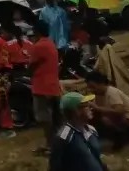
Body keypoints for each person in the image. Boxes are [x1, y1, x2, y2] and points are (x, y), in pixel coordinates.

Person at [84, 70, 129, 149]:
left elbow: (119, 110)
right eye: (89, 87)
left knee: (105, 120)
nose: (90, 90)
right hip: (121, 122)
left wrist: (98, 108)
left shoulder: (111, 92)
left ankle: (121, 139)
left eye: (93, 87)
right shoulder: (98, 94)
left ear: (102, 84)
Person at [29, 20, 63, 156]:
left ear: (37, 32)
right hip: (53, 85)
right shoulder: (50, 43)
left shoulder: (38, 46)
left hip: (41, 86)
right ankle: (59, 144)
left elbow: (31, 66)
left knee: (44, 118)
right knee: (56, 118)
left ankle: (51, 146)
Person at [50, 92, 106, 171]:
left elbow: (96, 159)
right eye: (86, 105)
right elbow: (55, 167)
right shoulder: (64, 138)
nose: (91, 107)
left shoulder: (92, 131)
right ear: (76, 111)